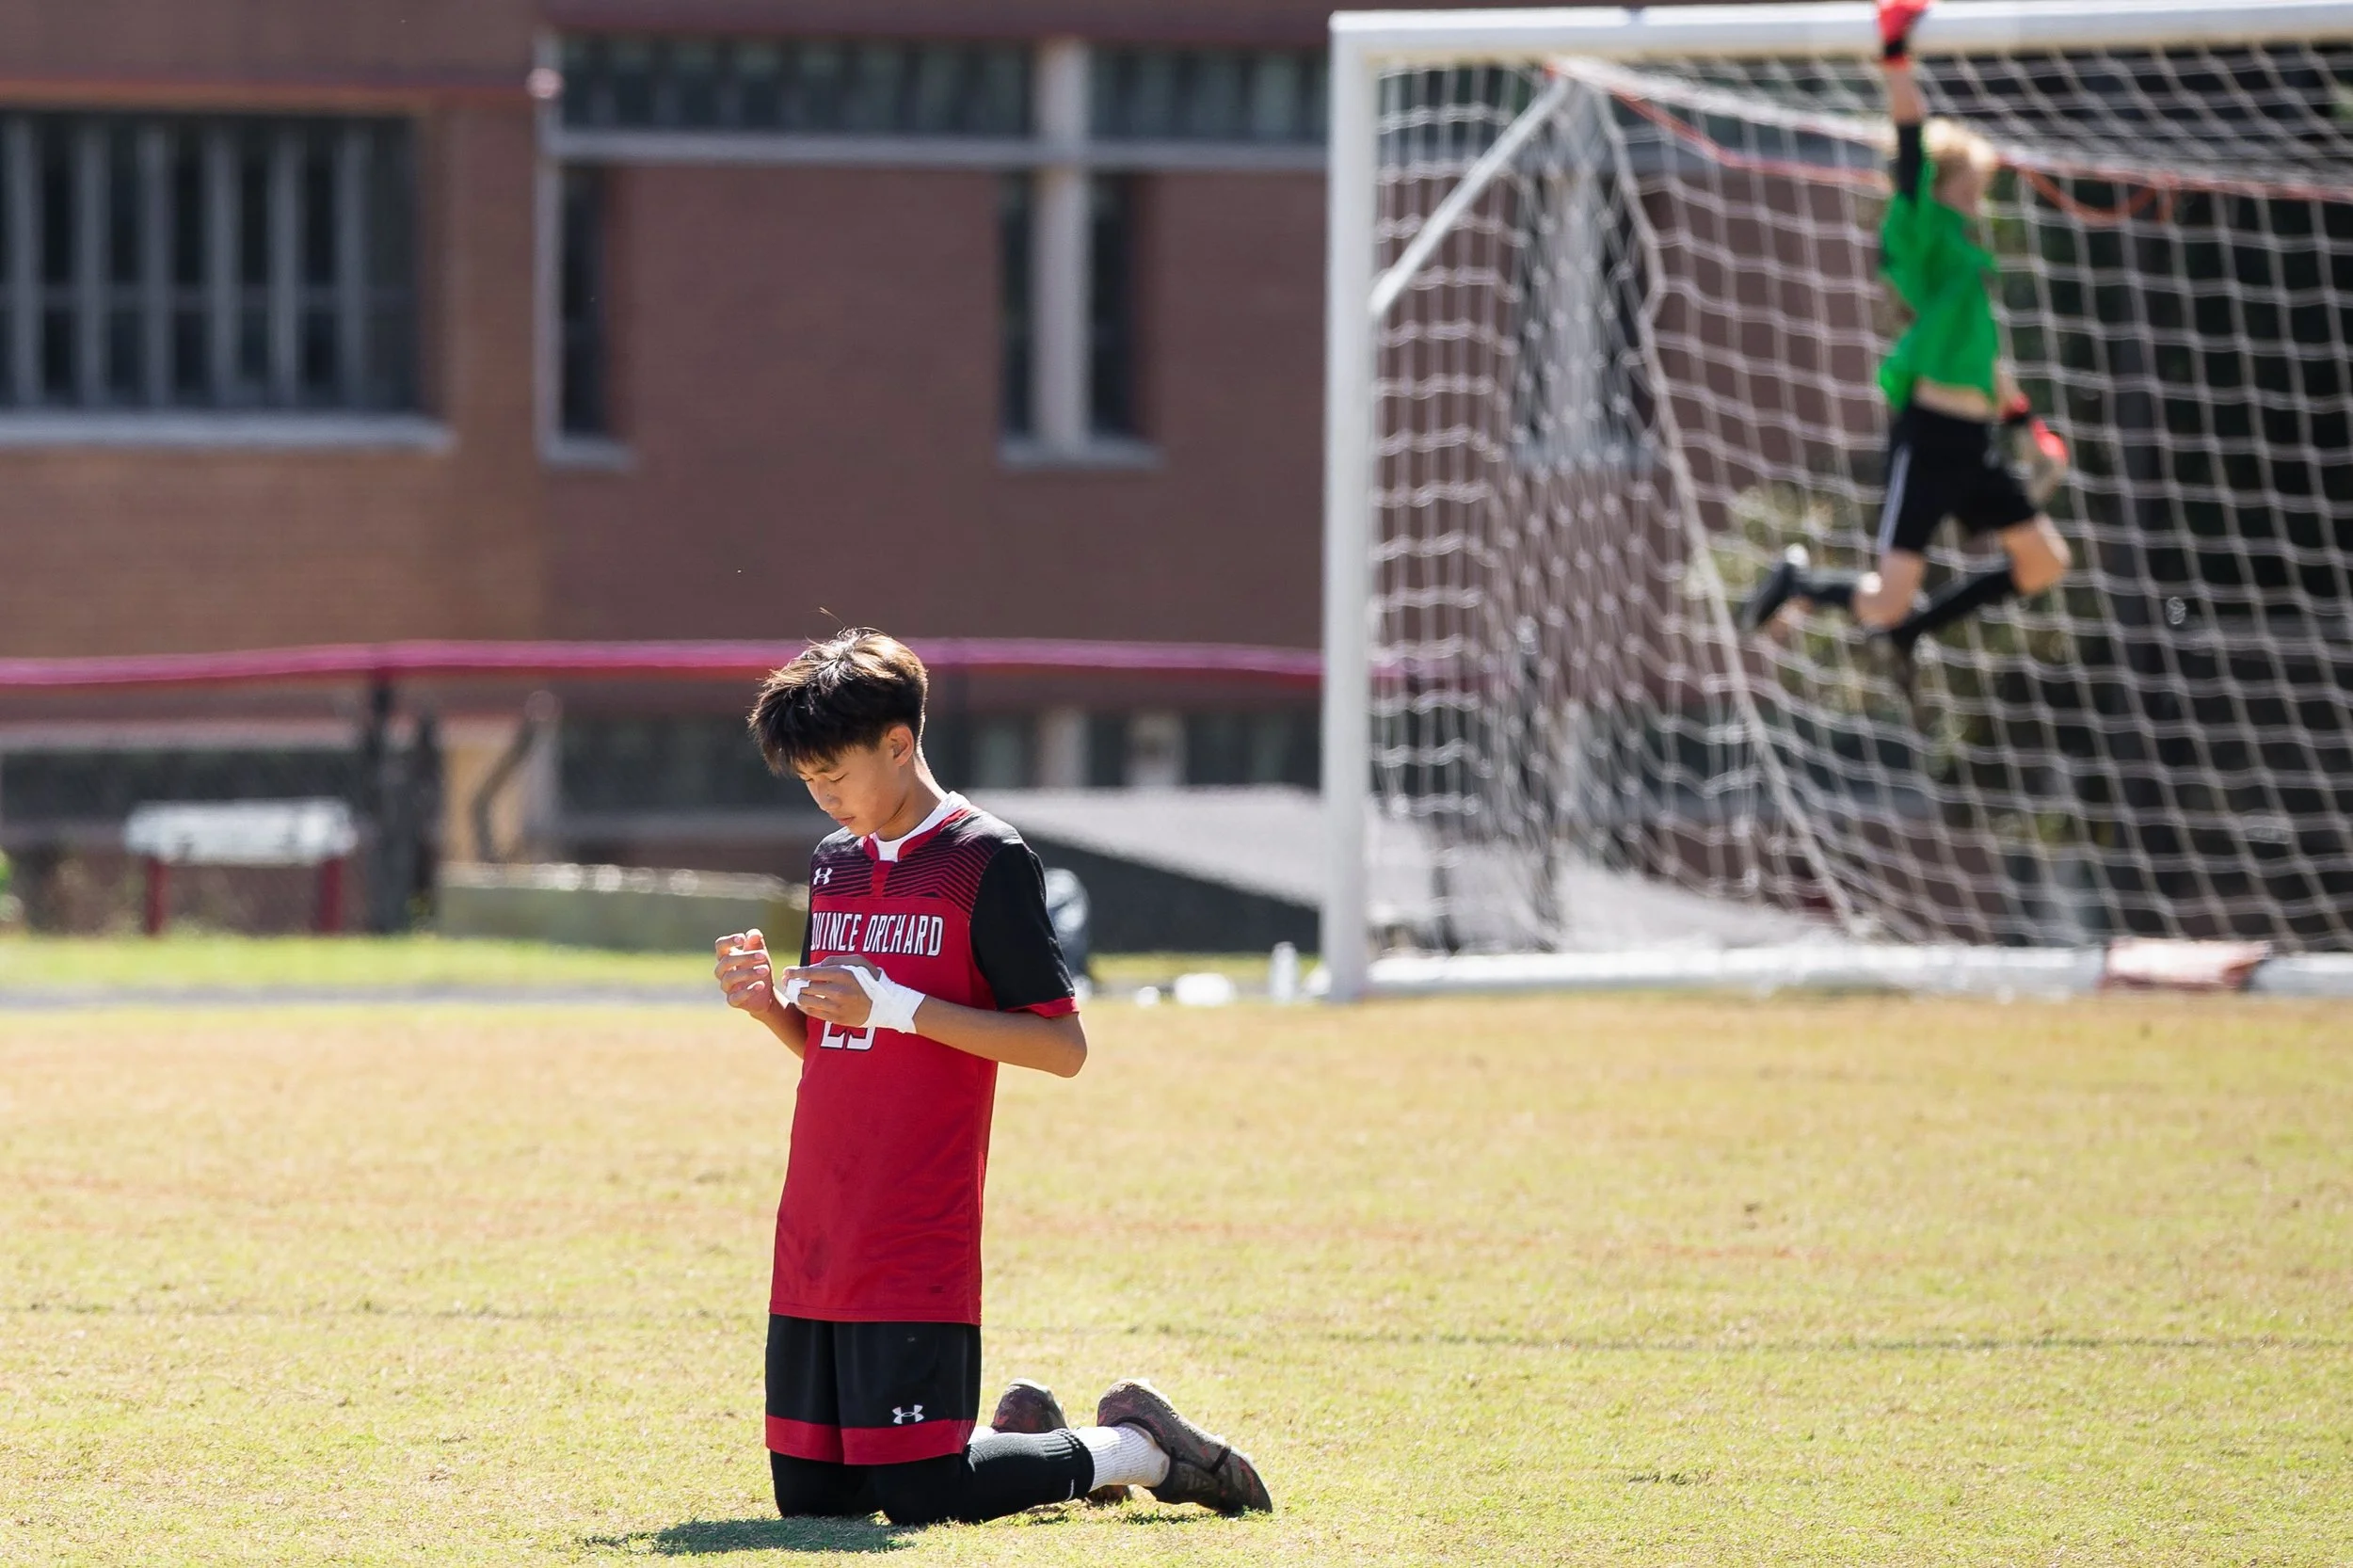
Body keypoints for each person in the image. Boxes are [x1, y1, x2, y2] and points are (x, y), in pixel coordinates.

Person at [711, 629, 1273, 1527]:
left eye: (835, 775)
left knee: (923, 1495)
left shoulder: (990, 858)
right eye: (808, 781)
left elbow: (1062, 1047)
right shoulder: (835, 863)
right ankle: (1029, 1434)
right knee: (815, 1504)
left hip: (912, 1228)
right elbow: (837, 1045)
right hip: (817, 1224)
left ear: (900, 742)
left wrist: (895, 1005)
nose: (823, 798)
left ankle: (1140, 1446)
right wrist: (768, 1006)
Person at [1740, 0, 2073, 685]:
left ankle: (1912, 633)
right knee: (1879, 598)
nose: (1979, 198)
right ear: (1946, 184)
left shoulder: (1966, 266)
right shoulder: (1920, 229)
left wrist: (2027, 425)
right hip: (1929, 441)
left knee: (2044, 563)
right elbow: (1912, 143)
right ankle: (1800, 584)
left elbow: (1985, 361)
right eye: (1973, 186)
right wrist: (1897, 58)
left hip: (1974, 443)